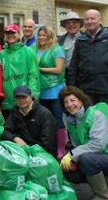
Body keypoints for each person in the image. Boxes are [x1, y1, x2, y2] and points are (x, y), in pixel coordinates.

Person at [58, 86, 108, 200]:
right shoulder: (71, 121)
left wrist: (72, 154)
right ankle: (103, 179)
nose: (69, 104)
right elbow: (78, 147)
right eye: (66, 102)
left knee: (87, 159)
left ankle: (101, 196)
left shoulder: (96, 114)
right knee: (68, 169)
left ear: (81, 101)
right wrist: (70, 159)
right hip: (101, 157)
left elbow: (98, 144)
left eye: (73, 100)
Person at [68, 9, 108, 126]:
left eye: (93, 18)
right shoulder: (81, 40)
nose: (89, 21)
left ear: (100, 20)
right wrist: (73, 89)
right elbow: (74, 66)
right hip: (86, 91)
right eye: (87, 19)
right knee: (89, 123)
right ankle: (92, 145)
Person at [35, 26, 66, 159]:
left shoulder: (57, 49)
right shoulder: (34, 50)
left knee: (58, 120)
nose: (42, 37)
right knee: (44, 122)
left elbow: (59, 69)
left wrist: (40, 68)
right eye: (40, 35)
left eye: (45, 35)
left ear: (50, 36)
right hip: (41, 91)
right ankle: (48, 147)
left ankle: (61, 149)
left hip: (55, 90)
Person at [1, 85, 57, 157]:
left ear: (31, 97)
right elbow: (5, 131)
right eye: (18, 97)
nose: (21, 100)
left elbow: (47, 142)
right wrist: (15, 138)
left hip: (45, 154)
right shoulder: (14, 112)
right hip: (24, 152)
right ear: (14, 99)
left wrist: (29, 150)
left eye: (24, 97)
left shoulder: (45, 114)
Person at [0, 23, 40, 120]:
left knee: (27, 130)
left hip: (24, 98)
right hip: (7, 101)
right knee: (10, 129)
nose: (10, 35)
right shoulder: (1, 55)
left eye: (13, 32)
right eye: (7, 33)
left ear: (18, 34)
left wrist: (32, 94)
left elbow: (33, 74)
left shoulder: (28, 52)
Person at [58, 11, 83, 84]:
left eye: (74, 22)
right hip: (64, 76)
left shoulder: (86, 38)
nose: (71, 25)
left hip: (81, 76)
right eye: (68, 23)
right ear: (65, 26)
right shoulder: (60, 40)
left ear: (79, 24)